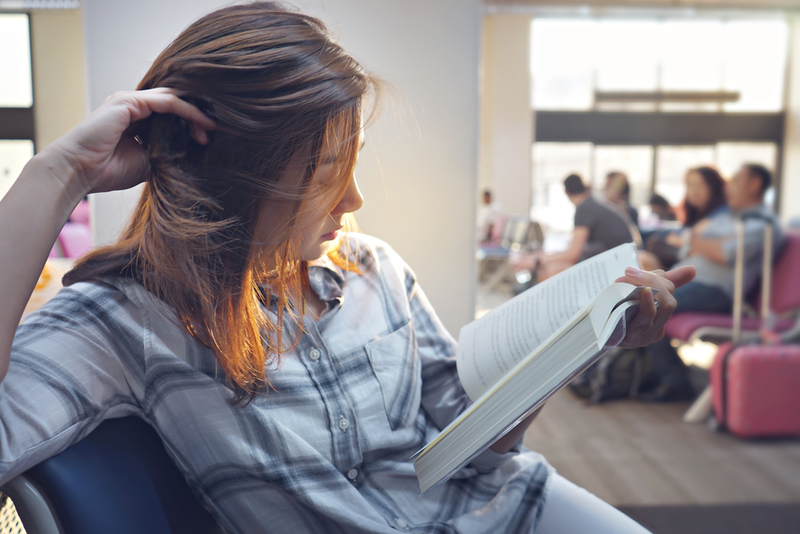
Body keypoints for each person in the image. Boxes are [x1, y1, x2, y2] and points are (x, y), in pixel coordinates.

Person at [0, 3, 694, 533]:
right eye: (328, 175)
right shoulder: (119, 323)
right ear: (238, 176)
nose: (356, 200)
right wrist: (53, 176)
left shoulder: (371, 266)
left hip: (503, 505)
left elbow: (470, 440)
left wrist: (577, 344)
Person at [643, 163, 782, 401]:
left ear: (755, 184)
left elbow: (725, 253)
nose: (729, 187)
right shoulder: (731, 218)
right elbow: (688, 245)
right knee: (640, 296)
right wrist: (705, 242)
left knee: (650, 306)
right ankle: (651, 374)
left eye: (736, 180)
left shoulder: (764, 223)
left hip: (717, 292)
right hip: (695, 285)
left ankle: (674, 382)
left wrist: (702, 241)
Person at [511, 174, 635, 281]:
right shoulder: (591, 203)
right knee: (552, 263)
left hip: (621, 259)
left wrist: (537, 261)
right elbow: (574, 251)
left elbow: (572, 254)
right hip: (618, 254)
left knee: (552, 269)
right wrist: (543, 256)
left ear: (566, 192)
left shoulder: (584, 208)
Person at [640, 166, 728, 271]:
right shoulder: (695, 216)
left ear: (713, 186)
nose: (694, 190)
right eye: (690, 185)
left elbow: (688, 241)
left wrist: (683, 240)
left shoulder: (721, 214)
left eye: (700, 184)